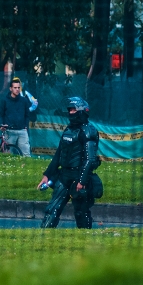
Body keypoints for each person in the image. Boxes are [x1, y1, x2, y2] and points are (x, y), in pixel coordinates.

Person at [37, 97, 102, 229]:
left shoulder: (89, 131)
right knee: (52, 209)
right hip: (64, 176)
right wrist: (47, 175)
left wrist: (82, 181)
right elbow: (59, 154)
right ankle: (44, 236)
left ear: (82, 111)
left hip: (79, 179)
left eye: (74, 110)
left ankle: (85, 239)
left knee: (81, 213)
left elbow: (89, 159)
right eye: (70, 110)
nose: (71, 112)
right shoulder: (69, 130)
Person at [0, 77, 31, 157]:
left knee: (26, 155)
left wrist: (25, 126)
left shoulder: (24, 101)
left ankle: (25, 168)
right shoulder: (4, 100)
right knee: (8, 155)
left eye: (18, 87)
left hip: (22, 131)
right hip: (9, 131)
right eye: (15, 88)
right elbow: (0, 114)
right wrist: (1, 125)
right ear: (10, 89)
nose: (17, 89)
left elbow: (27, 115)